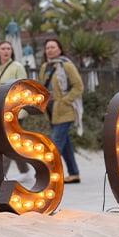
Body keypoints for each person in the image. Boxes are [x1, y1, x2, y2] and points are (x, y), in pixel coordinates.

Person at [0, 40, 28, 184]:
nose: (6, 51)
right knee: (13, 143)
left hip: (15, 111)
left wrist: (21, 110)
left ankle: (1, 173)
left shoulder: (17, 67)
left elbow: (23, 87)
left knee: (7, 142)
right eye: (3, 48)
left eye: (9, 48)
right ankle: (25, 171)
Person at [41, 38, 84, 184]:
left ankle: (48, 174)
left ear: (59, 49)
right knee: (65, 144)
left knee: (56, 142)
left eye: (53, 47)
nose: (50, 50)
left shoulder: (67, 66)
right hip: (51, 111)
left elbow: (78, 86)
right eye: (47, 48)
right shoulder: (45, 66)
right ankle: (74, 173)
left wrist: (65, 100)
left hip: (65, 110)